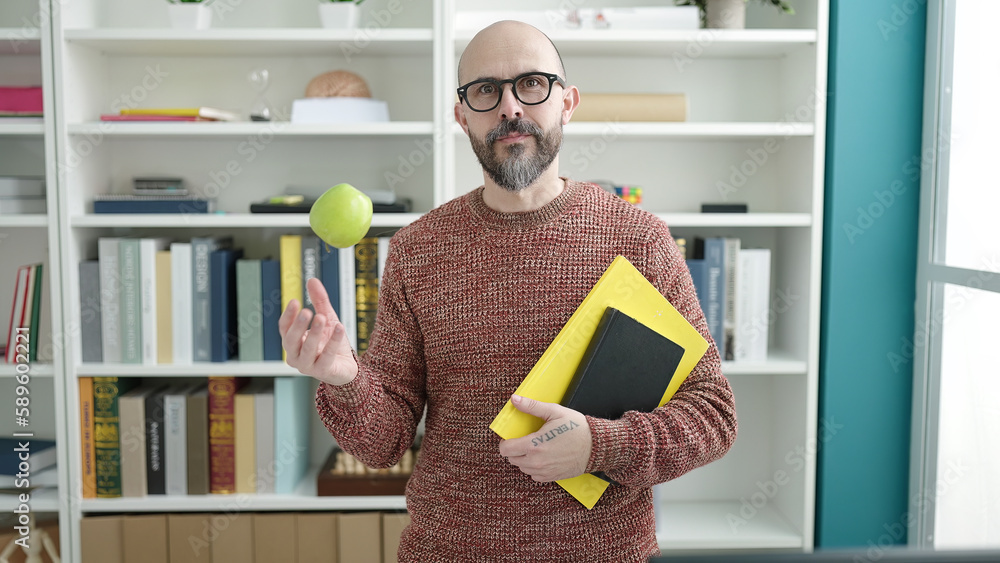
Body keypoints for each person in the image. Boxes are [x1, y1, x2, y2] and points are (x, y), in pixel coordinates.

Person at [280, 20, 737, 562]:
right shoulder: (417, 250)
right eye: (485, 90)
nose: (510, 107)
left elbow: (712, 415)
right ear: (461, 115)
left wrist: (599, 445)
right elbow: (383, 444)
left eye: (532, 84)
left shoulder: (636, 239)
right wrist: (346, 379)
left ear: (567, 102)